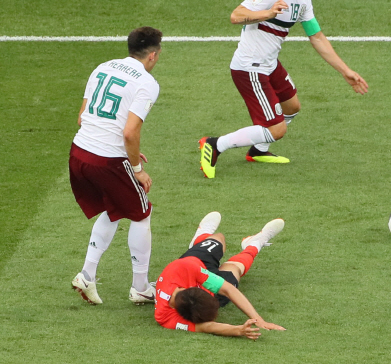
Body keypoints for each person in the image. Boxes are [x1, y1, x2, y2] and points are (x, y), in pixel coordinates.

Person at [199, 0, 369, 178]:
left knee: (292, 107)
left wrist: (345, 71)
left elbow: (317, 37)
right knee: (277, 130)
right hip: (250, 67)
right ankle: (215, 144)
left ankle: (258, 150)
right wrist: (267, 13)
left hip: (270, 64)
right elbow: (235, 16)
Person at [69, 26, 162, 305]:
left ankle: (87, 274)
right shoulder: (147, 82)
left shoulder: (102, 67)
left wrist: (128, 152)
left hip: (78, 153)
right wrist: (137, 169)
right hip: (106, 159)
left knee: (114, 207)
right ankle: (141, 287)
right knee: (141, 213)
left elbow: (82, 117)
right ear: (153, 56)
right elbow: (130, 133)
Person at [154, 212, 286, 339]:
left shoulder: (182, 268)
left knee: (219, 238)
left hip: (195, 263)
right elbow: (208, 327)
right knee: (235, 268)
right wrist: (239, 330)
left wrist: (259, 320)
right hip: (197, 274)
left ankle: (199, 239)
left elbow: (228, 290)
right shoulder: (164, 317)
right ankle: (254, 244)